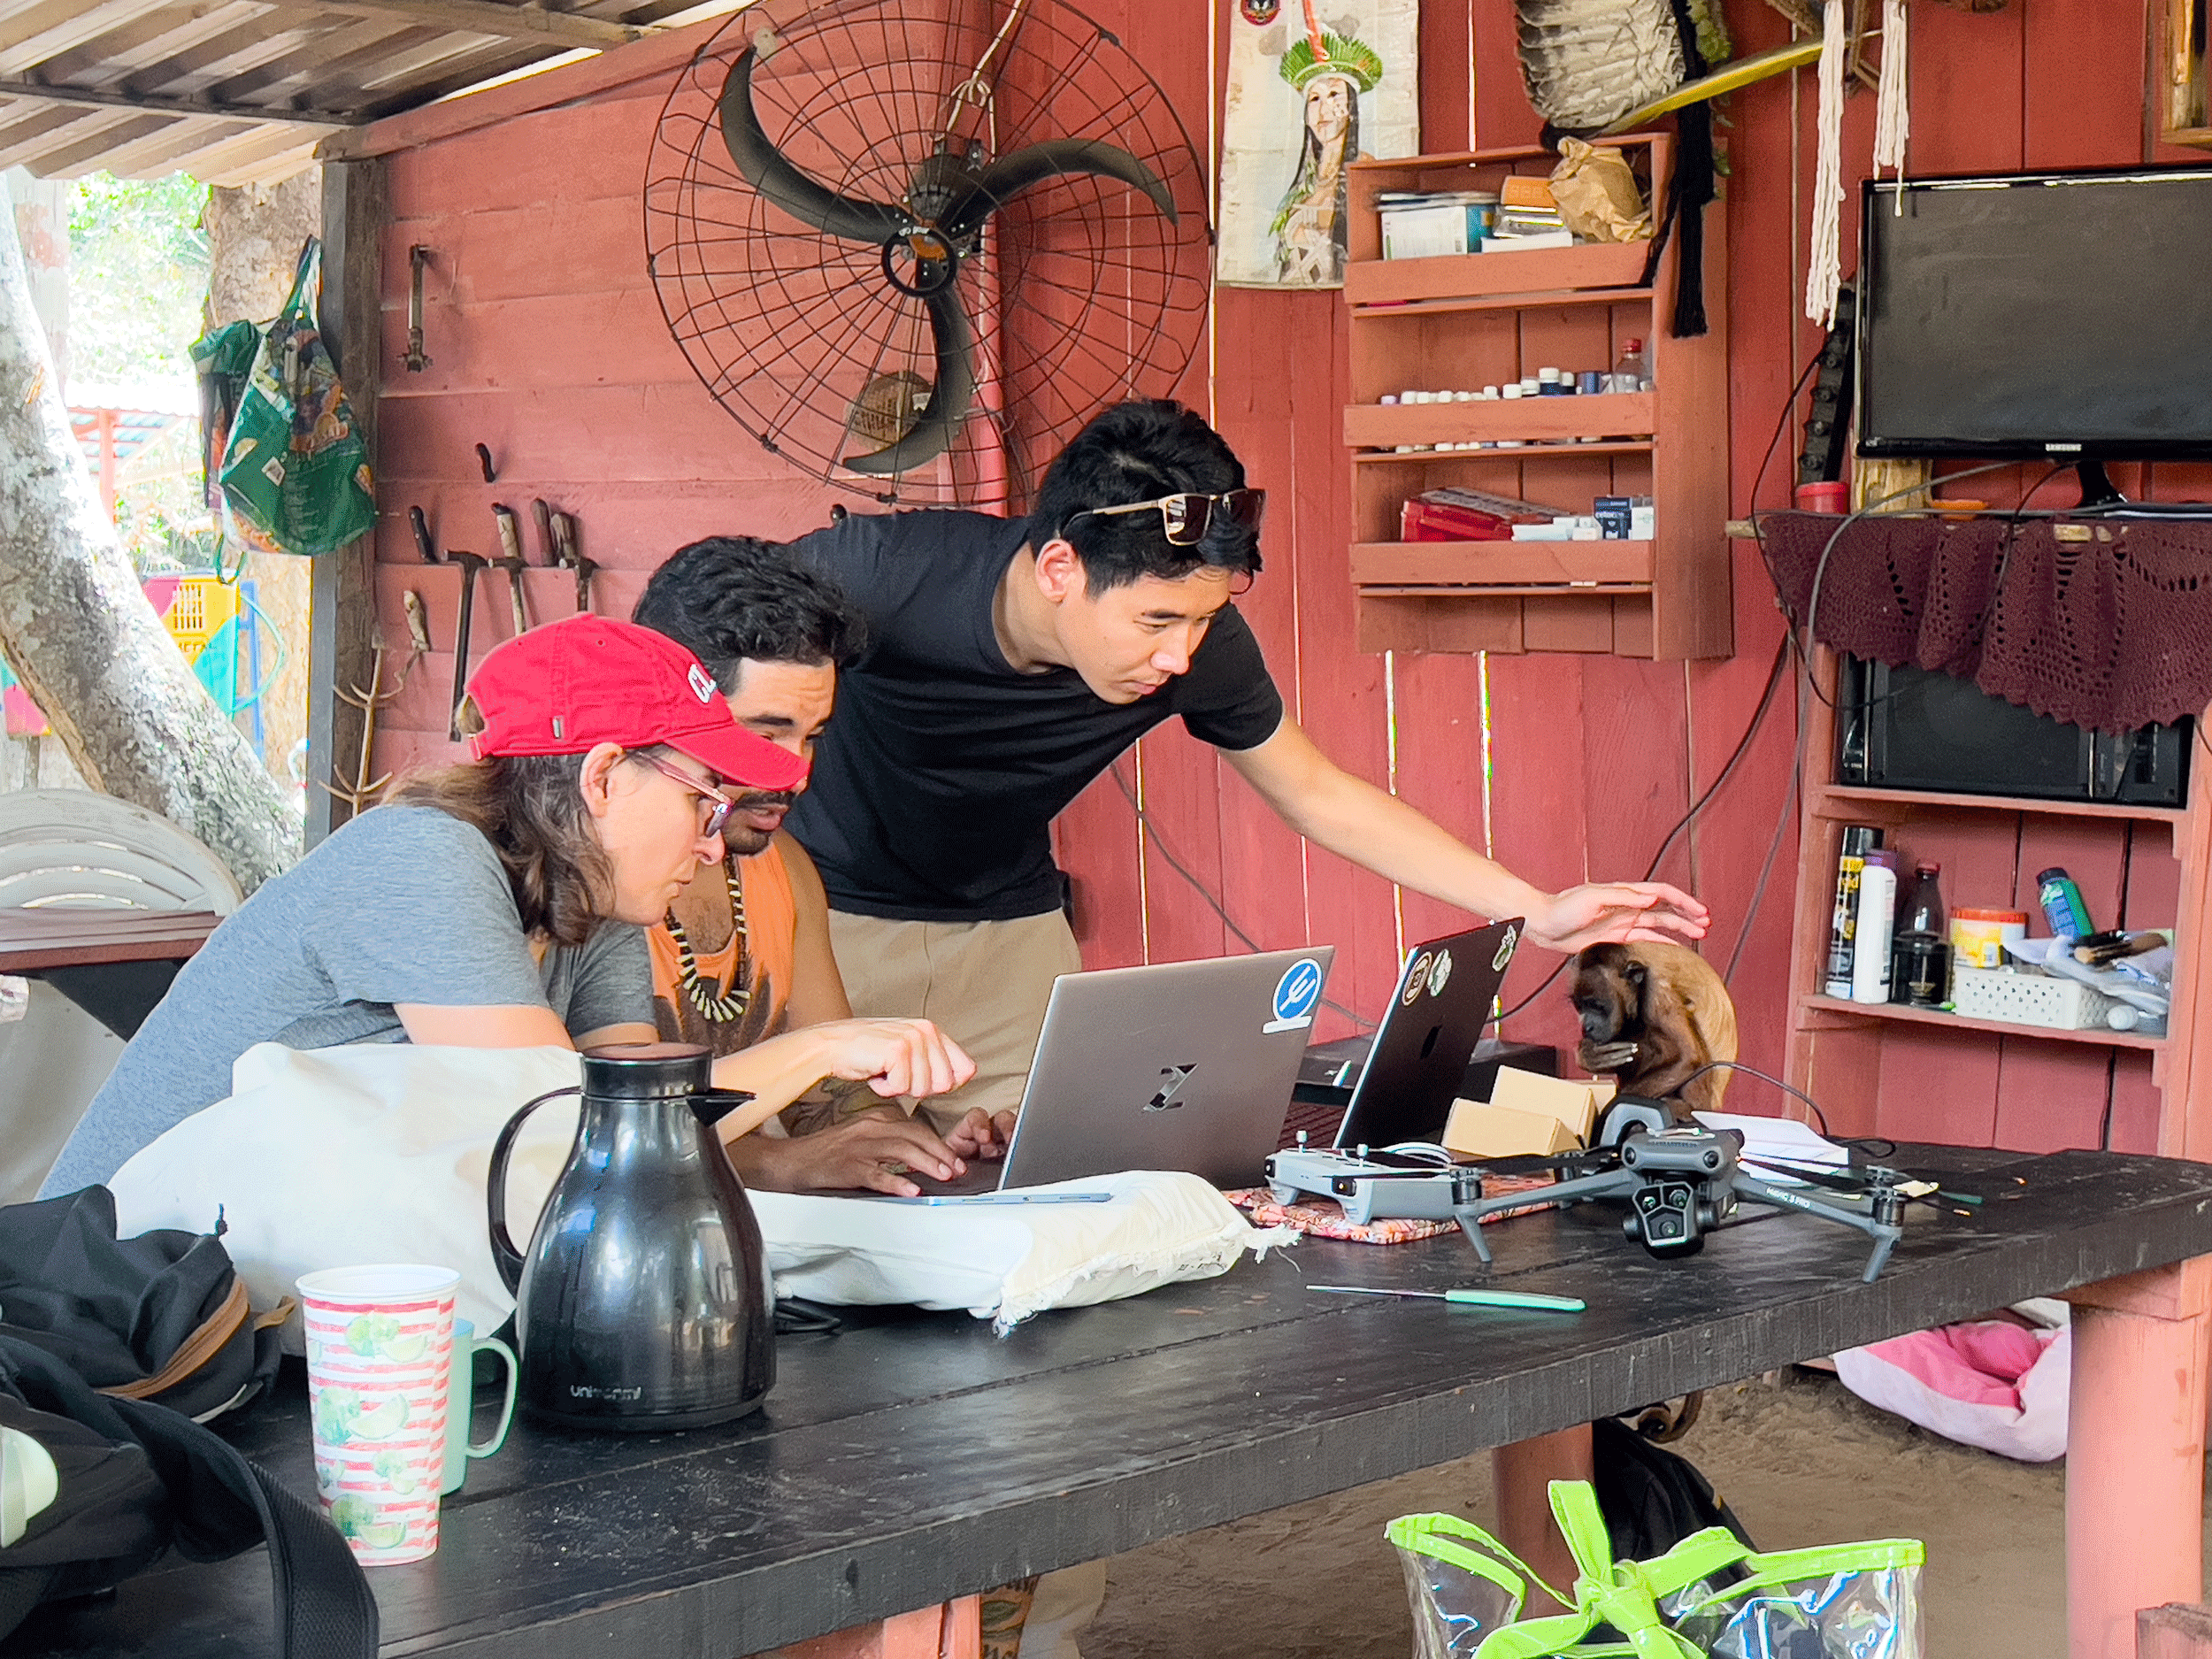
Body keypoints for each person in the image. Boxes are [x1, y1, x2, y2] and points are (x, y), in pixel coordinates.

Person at [778, 398, 1709, 1132]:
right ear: (1059, 570)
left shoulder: (1199, 639)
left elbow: (1317, 795)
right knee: (831, 1192)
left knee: (1054, 1198)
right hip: (824, 927)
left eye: (1201, 618)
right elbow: (689, 667)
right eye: (1153, 623)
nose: (1180, 656)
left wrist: (1536, 908)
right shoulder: (869, 575)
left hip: (1010, 942)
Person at [38, 615, 972, 1198]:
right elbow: (557, 1125)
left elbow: (640, 1136)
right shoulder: (419, 860)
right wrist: (814, 1052)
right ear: (604, 775)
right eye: (703, 801)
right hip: (108, 1305)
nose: (710, 839)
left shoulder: (600, 901)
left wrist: (795, 1150)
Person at [632, 534, 1007, 1196]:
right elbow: (604, 1135)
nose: (796, 773)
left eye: (812, 737)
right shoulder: (603, 884)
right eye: (765, 732)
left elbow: (833, 1096)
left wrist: (917, 1150)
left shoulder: (786, 869)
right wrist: (782, 1163)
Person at [1268, 12, 1384, 286]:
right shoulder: (1302, 185)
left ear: (1351, 109)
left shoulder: (1363, 168)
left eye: (1334, 95)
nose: (1324, 109)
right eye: (1314, 98)